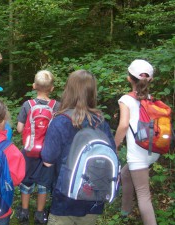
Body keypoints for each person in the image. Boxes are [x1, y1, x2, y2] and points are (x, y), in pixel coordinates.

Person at [41, 70, 116, 225]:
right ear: (92, 92)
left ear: (68, 91)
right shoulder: (101, 122)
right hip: (93, 198)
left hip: (64, 199)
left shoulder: (60, 121)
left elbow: (47, 160)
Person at [114, 59, 159, 225]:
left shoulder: (126, 99)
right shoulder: (151, 99)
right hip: (153, 151)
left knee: (144, 196)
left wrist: (114, 145)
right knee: (125, 174)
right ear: (150, 80)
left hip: (139, 154)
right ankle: (125, 213)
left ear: (128, 78)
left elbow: (124, 125)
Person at [16, 70, 60, 224]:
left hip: (29, 151)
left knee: (26, 182)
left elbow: (20, 129)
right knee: (43, 184)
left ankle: (24, 212)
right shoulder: (57, 106)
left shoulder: (28, 105)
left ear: (34, 86)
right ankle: (40, 214)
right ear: (52, 88)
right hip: (47, 153)